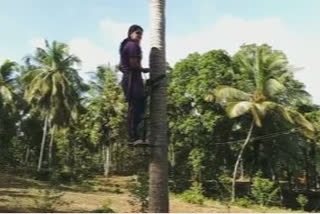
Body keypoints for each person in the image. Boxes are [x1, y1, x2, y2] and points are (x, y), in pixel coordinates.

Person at [119, 25, 149, 143]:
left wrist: (129, 71)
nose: (140, 36)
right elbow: (133, 64)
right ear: (130, 34)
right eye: (137, 33)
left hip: (131, 79)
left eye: (141, 34)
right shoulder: (132, 45)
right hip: (132, 80)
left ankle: (137, 136)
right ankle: (134, 137)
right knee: (135, 108)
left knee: (138, 106)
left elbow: (121, 66)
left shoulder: (126, 46)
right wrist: (144, 70)